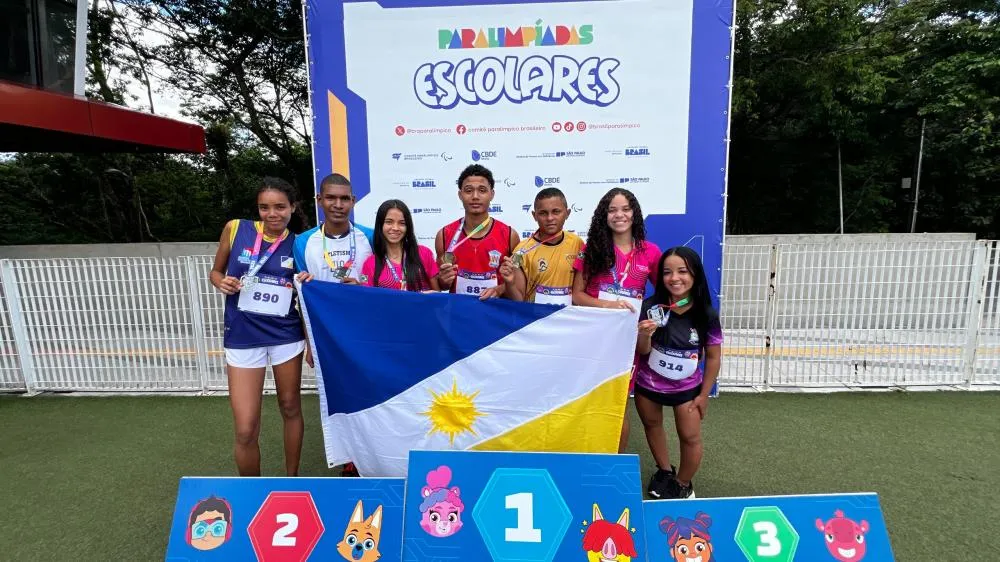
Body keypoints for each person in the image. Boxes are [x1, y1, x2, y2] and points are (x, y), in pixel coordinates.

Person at [209, 177, 305, 477]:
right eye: (264, 208)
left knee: (290, 407)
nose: (272, 214)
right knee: (246, 427)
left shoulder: (299, 243)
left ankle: (292, 480)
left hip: (285, 335)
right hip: (242, 335)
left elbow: (305, 292)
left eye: (279, 207)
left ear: (293, 207)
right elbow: (216, 271)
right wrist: (220, 281)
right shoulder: (236, 228)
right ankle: (253, 490)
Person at [293, 173, 373, 478]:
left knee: (367, 395)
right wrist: (309, 341)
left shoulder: (370, 236)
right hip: (327, 337)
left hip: (365, 336)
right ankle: (347, 461)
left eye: (344, 199)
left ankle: (366, 458)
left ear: (352, 201)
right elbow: (302, 294)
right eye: (331, 198)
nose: (338, 205)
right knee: (335, 399)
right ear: (320, 200)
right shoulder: (304, 242)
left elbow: (381, 280)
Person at [572, 187, 661, 453]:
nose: (619, 215)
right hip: (592, 340)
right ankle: (584, 456)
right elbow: (576, 295)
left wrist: (650, 322)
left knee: (619, 406)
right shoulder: (592, 250)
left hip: (626, 343)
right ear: (604, 215)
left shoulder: (651, 252)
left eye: (625, 208)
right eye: (612, 210)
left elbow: (664, 295)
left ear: (634, 213)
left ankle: (614, 463)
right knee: (588, 402)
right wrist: (608, 306)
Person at [636, 247, 723, 499]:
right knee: (652, 425)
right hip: (648, 386)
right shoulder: (652, 307)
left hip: (687, 391)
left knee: (690, 437)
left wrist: (704, 394)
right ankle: (664, 471)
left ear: (695, 274)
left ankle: (683, 483)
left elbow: (714, 357)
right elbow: (643, 351)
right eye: (667, 272)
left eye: (682, 271)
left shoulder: (705, 313)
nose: (674, 278)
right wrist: (644, 334)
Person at [435, 164, 519, 300]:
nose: (475, 196)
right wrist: (444, 280)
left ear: (492, 194)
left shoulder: (509, 235)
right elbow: (442, 285)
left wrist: (499, 289)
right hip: (458, 315)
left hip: (494, 315)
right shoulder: (444, 235)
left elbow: (516, 283)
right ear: (460, 194)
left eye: (482, 190)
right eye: (468, 191)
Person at [500, 187, 582, 305]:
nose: (550, 218)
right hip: (537, 320)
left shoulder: (577, 243)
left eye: (556, 211)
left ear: (567, 213)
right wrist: (510, 283)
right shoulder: (520, 251)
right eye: (543, 213)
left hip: (567, 320)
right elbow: (518, 300)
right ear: (534, 215)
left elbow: (581, 290)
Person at [361, 199, 440, 291]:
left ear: (408, 227)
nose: (395, 228)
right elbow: (369, 300)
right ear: (380, 225)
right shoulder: (370, 264)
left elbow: (437, 294)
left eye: (402, 223)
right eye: (389, 222)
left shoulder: (424, 253)